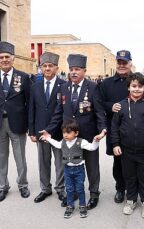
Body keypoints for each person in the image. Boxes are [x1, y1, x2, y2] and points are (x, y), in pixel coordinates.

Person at [41, 54, 107, 210]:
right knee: (72, 166)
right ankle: (77, 192)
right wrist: (49, 130)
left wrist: (103, 129)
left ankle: (94, 193)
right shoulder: (64, 87)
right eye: (71, 69)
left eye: (77, 69)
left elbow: (99, 112)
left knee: (91, 166)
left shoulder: (92, 87)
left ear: (84, 70)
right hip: (69, 137)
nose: (73, 72)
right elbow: (58, 112)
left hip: (88, 134)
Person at [111, 73, 144, 219]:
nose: (137, 89)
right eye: (134, 86)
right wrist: (115, 144)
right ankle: (131, 200)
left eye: (140, 86)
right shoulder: (121, 105)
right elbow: (114, 126)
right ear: (128, 87)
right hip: (126, 150)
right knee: (130, 177)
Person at [40, 119, 102, 218]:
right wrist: (48, 138)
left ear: (76, 133)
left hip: (79, 170)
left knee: (80, 188)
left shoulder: (81, 142)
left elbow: (92, 148)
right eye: (64, 132)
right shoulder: (63, 142)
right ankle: (70, 206)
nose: (65, 135)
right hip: (67, 170)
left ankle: (82, 206)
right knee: (69, 189)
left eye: (68, 132)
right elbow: (56, 144)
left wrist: (96, 141)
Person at [28, 52, 66, 206]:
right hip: (40, 130)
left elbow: (65, 109)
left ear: (57, 68)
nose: (47, 68)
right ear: (41, 68)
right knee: (43, 161)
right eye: (44, 66)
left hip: (58, 132)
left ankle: (60, 188)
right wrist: (31, 131)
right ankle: (45, 188)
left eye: (51, 66)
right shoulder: (35, 86)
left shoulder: (64, 86)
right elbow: (31, 109)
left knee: (59, 162)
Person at [99, 50, 133, 203]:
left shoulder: (137, 81)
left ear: (130, 63)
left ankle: (133, 189)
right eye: (119, 62)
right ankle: (120, 189)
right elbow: (99, 104)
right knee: (118, 162)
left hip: (135, 129)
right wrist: (110, 106)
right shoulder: (106, 83)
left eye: (124, 62)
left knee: (134, 161)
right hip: (115, 130)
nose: (121, 65)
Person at [0, 41, 31, 201]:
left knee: (20, 157)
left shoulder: (23, 77)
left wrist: (29, 125)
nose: (4, 59)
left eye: (7, 57)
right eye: (1, 57)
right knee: (1, 156)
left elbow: (29, 102)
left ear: (13, 58)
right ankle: (2, 186)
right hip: (0, 125)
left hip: (17, 123)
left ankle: (23, 185)